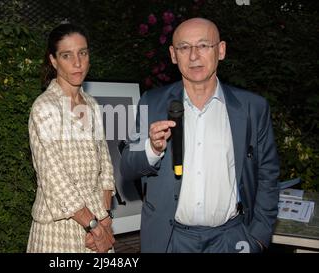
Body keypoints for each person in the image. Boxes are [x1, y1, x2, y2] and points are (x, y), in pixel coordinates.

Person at [120, 18, 280, 253]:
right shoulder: (151, 102)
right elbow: (127, 166)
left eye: (204, 45)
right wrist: (152, 149)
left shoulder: (252, 108)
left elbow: (268, 174)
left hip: (232, 238)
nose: (194, 56)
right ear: (174, 55)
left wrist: (258, 237)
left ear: (221, 50)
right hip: (170, 240)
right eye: (184, 47)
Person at [26, 23, 115, 253]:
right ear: (54, 61)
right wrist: (94, 227)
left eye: (82, 53)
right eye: (67, 55)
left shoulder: (92, 105)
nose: (77, 62)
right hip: (60, 227)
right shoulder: (44, 107)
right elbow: (55, 179)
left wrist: (105, 219)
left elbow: (105, 164)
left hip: (97, 219)